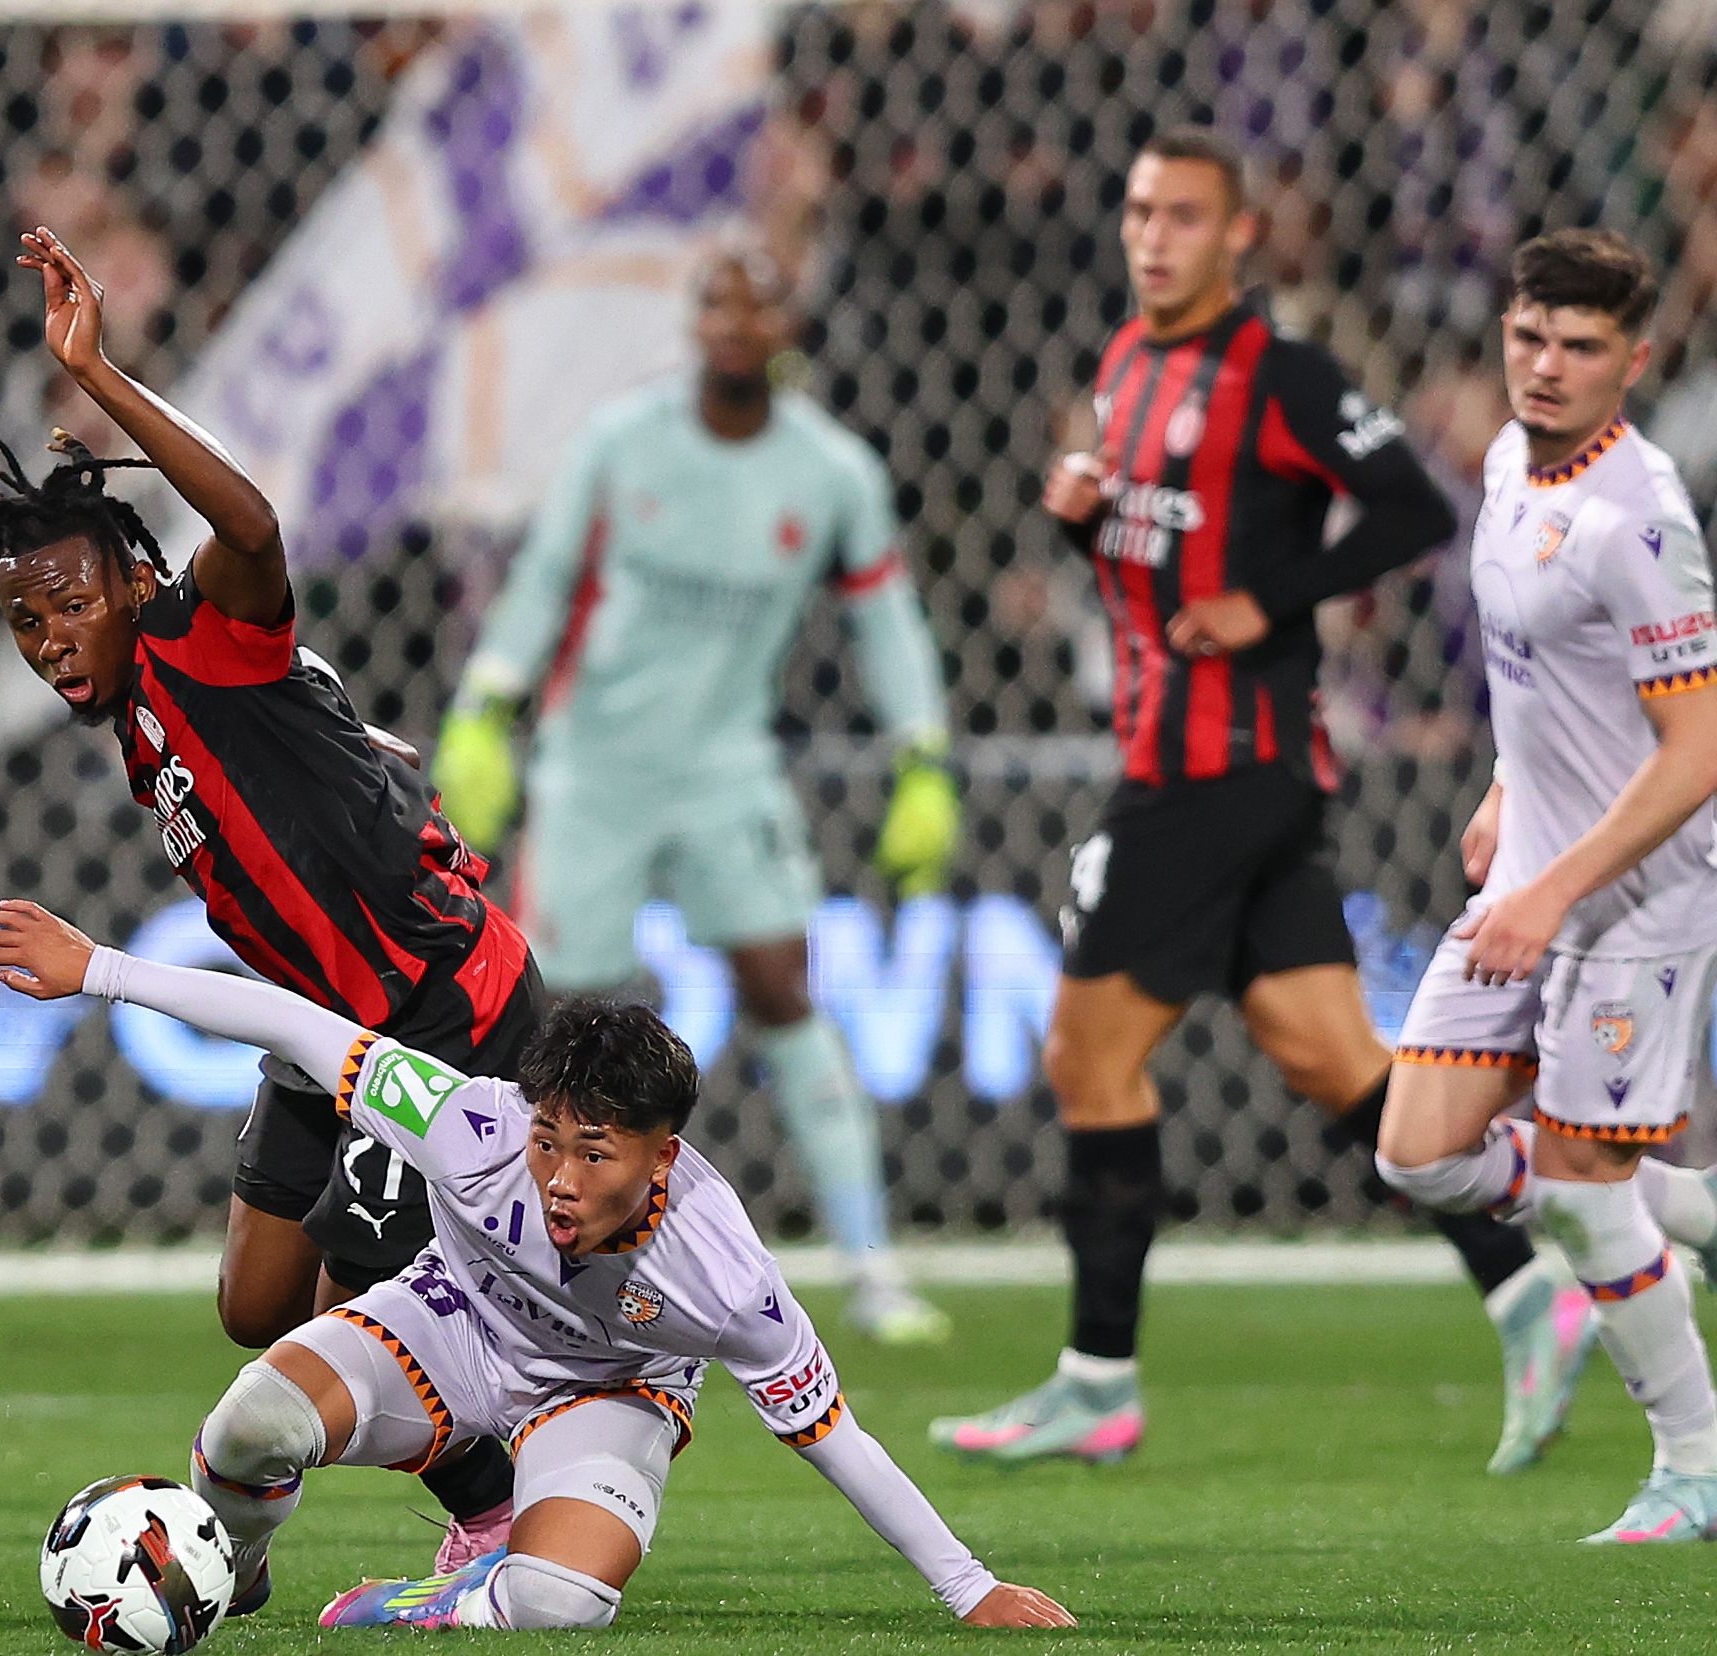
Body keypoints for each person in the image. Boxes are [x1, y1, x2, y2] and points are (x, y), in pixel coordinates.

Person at [0, 226, 538, 1569]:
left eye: (69, 602)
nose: (52, 636)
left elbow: (255, 527)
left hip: (426, 1014)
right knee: (255, 1301)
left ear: (136, 578)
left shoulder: (198, 636)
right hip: (315, 1025)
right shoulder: (143, 709)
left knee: (361, 1299)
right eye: (26, 625)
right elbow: (320, 724)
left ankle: (492, 1505)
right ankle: (267, 1482)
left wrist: (102, 377)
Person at [929, 129, 1582, 1474]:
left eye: (1183, 215)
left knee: (1086, 1057)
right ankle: (1533, 1290)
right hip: (1215, 768)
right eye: (1139, 210)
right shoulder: (1125, 366)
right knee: (1336, 1061)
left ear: (1237, 236)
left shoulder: (1278, 374)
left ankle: (1095, 1380)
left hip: (1215, 772)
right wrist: (1081, 524)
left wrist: (1272, 600)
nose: (1154, 234)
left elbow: (1407, 505)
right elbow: (1153, 554)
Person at [0, 899, 1075, 1632]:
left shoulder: (723, 1275)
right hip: (452, 1324)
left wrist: (970, 1589)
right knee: (251, 1422)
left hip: (609, 1389)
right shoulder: (472, 1124)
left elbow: (837, 1441)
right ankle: (235, 1565)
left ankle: (429, 1601)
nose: (559, 1177)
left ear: (660, 1156)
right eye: (550, 1140)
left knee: (563, 1601)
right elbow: (298, 1026)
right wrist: (97, 967)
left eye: (595, 1154)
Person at [434, 227, 958, 1343]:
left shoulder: (830, 473)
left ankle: (870, 1264)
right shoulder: (623, 443)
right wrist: (487, 701)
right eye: (715, 306)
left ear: (786, 326)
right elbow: (543, 579)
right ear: (695, 322)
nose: (734, 326)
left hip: (726, 767)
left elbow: (886, 621)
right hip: (594, 769)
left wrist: (923, 752)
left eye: (755, 307)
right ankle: (527, 1263)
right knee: (562, 1020)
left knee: (782, 987)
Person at [1377, 229, 1717, 1543]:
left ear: (1633, 361)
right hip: (1533, 866)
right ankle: (1675, 1208)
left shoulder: (1642, 522)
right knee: (1420, 1151)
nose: (1549, 367)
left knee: (1579, 1187)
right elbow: (1548, 680)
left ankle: (1691, 1466)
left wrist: (1551, 885)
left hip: (1640, 896)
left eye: (1583, 349)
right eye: (1531, 339)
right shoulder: (1514, 458)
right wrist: (1512, 788)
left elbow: (1698, 750)